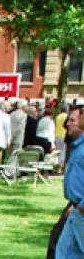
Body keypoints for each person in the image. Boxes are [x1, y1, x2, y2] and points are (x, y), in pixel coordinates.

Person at [55, 101, 84, 257]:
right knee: (63, 251)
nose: (68, 124)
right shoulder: (77, 146)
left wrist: (81, 205)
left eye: (72, 121)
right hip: (75, 209)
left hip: (81, 210)